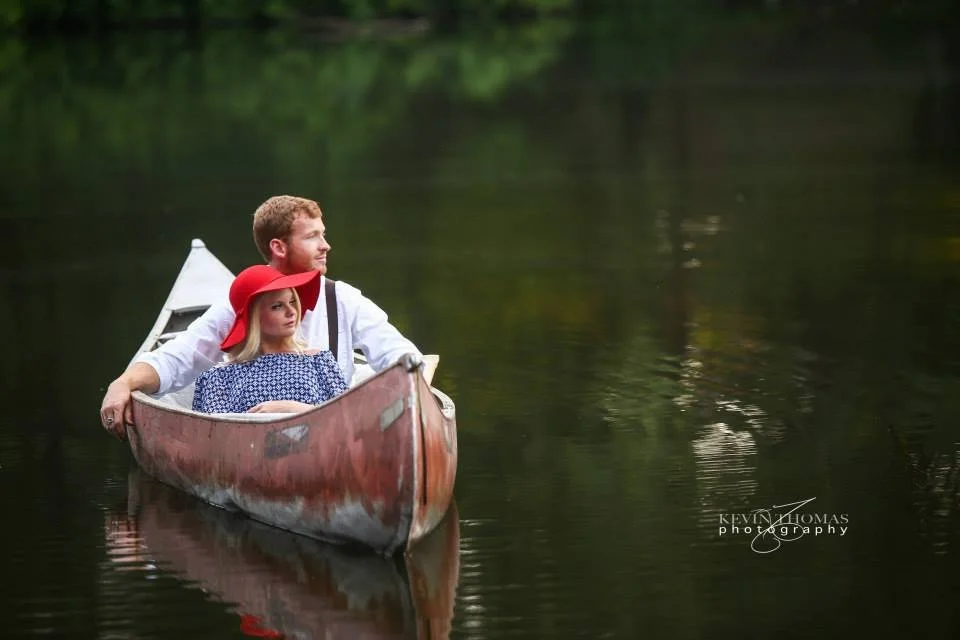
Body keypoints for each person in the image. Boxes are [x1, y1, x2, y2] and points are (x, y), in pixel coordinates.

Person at [100, 195, 421, 437]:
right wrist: (124, 382)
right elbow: (177, 358)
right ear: (279, 247)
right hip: (257, 441)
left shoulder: (342, 299)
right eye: (312, 237)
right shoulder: (240, 306)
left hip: (334, 435)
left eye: (323, 235)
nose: (326, 246)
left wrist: (414, 386)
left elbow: (397, 353)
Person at [192, 265, 349, 414]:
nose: (291, 312)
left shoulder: (319, 360)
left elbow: (348, 420)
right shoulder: (219, 377)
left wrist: (292, 408)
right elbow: (214, 435)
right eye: (277, 306)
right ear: (254, 317)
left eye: (293, 302)